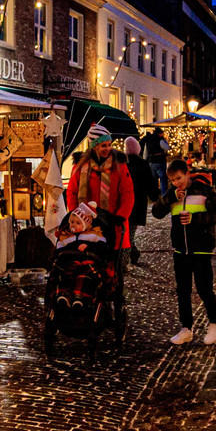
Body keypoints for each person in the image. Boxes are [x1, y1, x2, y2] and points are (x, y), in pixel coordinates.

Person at [151, 158, 216, 345]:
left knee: (204, 288)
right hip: (180, 249)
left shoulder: (205, 190)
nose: (177, 183)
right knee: (182, 290)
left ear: (187, 173)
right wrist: (171, 197)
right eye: (173, 180)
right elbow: (157, 212)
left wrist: (195, 218)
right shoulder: (173, 193)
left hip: (201, 248)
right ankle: (186, 328)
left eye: (179, 178)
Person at [66, 124, 134, 317]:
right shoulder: (80, 166)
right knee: (87, 263)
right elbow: (72, 191)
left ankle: (114, 299)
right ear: (94, 146)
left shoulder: (119, 165)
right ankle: (86, 296)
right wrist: (76, 215)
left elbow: (128, 193)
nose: (108, 148)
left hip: (114, 224)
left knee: (114, 268)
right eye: (103, 145)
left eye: (109, 144)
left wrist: (121, 215)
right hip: (86, 224)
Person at [124, 136, 159, 267]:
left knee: (127, 231)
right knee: (131, 231)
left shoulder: (123, 163)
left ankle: (130, 254)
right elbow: (150, 183)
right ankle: (131, 254)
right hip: (138, 203)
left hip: (125, 202)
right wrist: (155, 197)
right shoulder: (142, 164)